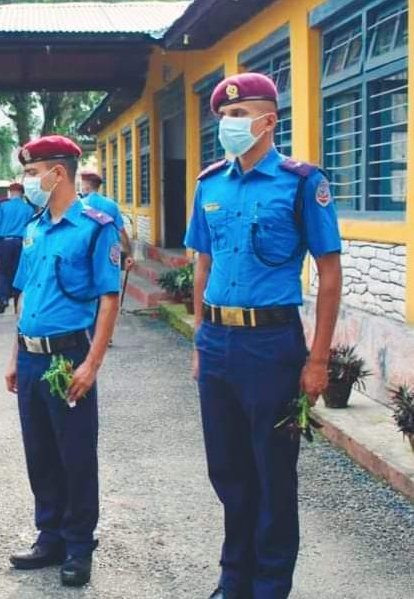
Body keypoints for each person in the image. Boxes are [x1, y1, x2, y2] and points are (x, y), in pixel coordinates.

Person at [185, 73, 342, 599]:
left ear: (268, 120)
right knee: (227, 469)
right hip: (218, 340)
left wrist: (317, 360)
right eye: (222, 116)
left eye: (237, 115)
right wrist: (199, 338)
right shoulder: (210, 184)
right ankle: (235, 578)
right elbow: (203, 264)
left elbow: (329, 273)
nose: (227, 124)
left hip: (271, 344)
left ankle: (271, 585)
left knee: (272, 471)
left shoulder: (301, 183)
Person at [2, 136, 120, 588]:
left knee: (75, 454)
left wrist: (92, 364)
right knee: (40, 452)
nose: (29, 180)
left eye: (34, 173)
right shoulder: (34, 228)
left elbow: (109, 299)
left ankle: (78, 544)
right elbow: (24, 296)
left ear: (58, 173)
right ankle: (49, 535)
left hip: (68, 357)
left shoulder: (95, 226)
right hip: (31, 358)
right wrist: (15, 356)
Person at [79, 171, 135, 273]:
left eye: (82, 184)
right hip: (109, 258)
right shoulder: (111, 205)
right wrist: (129, 255)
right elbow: (122, 232)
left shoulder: (79, 205)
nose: (81, 187)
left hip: (86, 259)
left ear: (87, 186)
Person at [0, 181, 35, 314]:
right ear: (22, 194)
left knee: (2, 271)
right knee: (19, 271)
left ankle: (3, 299)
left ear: (10, 193)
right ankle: (17, 301)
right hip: (22, 242)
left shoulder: (3, 207)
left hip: (4, 242)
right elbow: (31, 228)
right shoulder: (28, 209)